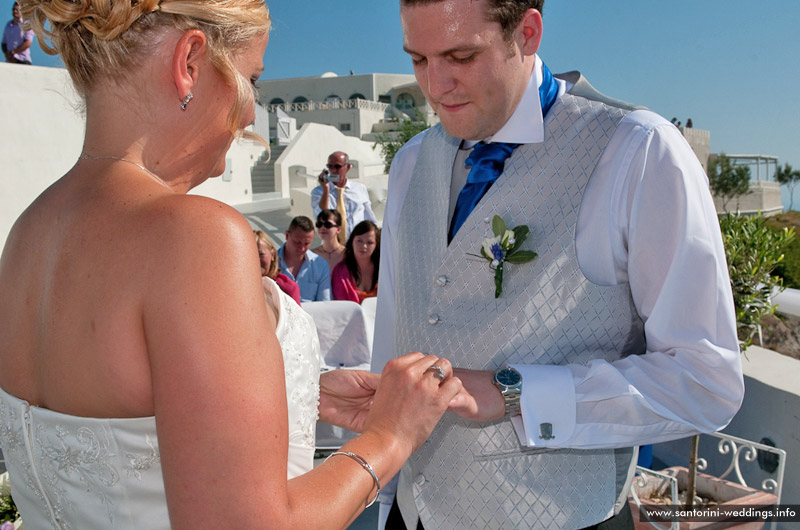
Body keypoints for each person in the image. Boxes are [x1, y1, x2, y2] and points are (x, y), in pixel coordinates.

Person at [0, 0, 465, 528]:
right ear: (190, 63)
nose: (250, 114)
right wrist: (391, 435)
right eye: (252, 78)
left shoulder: (27, 235)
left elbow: (124, 409)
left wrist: (295, 393)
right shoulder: (194, 236)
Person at [373, 1, 745, 529]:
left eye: (461, 56)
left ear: (526, 32)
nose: (436, 86)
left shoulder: (637, 152)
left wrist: (517, 393)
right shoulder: (410, 161)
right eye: (418, 60)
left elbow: (706, 380)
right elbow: (395, 330)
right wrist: (385, 490)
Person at [311, 151, 377, 242]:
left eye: (337, 166)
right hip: (332, 246)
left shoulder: (359, 189)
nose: (333, 170)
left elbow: (369, 218)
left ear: (348, 167)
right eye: (330, 166)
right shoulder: (318, 192)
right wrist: (326, 189)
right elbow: (322, 216)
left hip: (356, 245)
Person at [278, 215, 332, 302]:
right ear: (287, 235)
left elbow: (325, 304)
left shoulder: (321, 265)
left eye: (307, 243)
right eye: (297, 242)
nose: (302, 248)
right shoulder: (271, 262)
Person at [332, 220, 380, 304]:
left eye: (369, 242)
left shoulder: (384, 270)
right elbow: (341, 306)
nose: (364, 246)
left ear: (376, 245)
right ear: (352, 241)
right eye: (359, 241)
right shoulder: (339, 272)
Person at [255, 229, 301, 305]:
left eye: (261, 254)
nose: (255, 260)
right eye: (250, 254)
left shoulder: (288, 288)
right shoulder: (234, 286)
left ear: (272, 255)